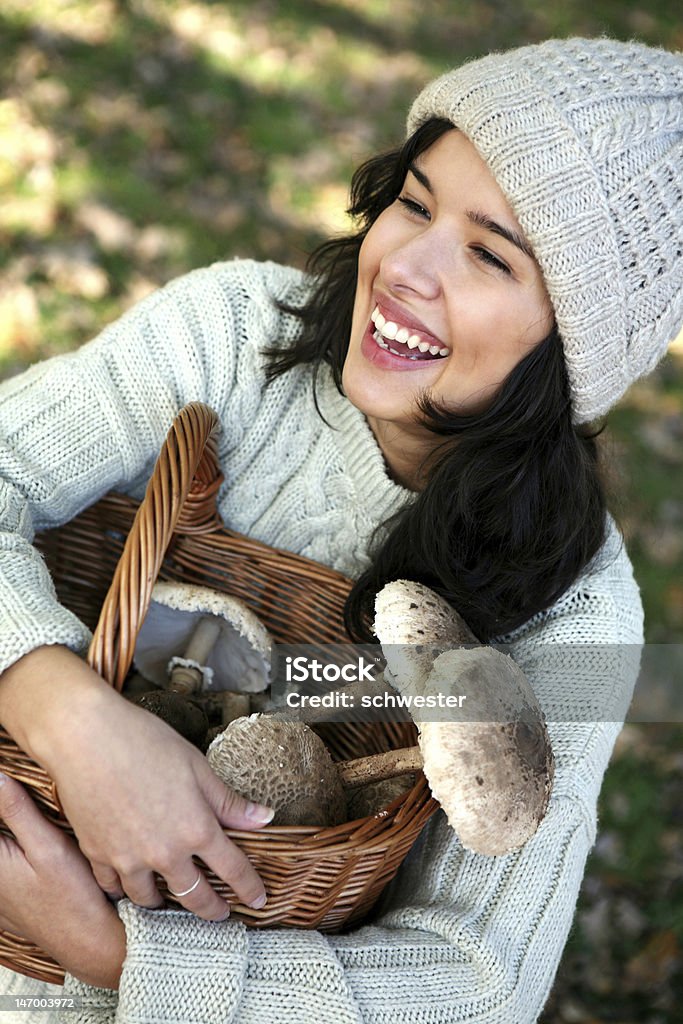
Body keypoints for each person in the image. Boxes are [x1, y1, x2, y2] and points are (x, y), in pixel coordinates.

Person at [0, 34, 681, 1024]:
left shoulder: (575, 613)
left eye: (488, 253)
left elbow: (478, 981)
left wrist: (114, 954)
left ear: (568, 352)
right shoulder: (229, 337)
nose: (406, 264)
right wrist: (67, 712)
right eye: (413, 202)